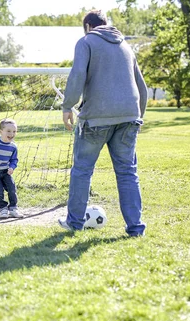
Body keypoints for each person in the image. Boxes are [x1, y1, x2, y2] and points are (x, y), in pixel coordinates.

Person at [58, 9, 147, 236]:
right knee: (128, 173)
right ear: (105, 24)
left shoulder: (86, 41)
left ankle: (75, 223)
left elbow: (77, 75)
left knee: (82, 170)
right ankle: (136, 228)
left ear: (88, 26)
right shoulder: (126, 46)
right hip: (129, 117)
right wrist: (139, 116)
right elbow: (141, 86)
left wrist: (68, 106)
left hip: (96, 118)